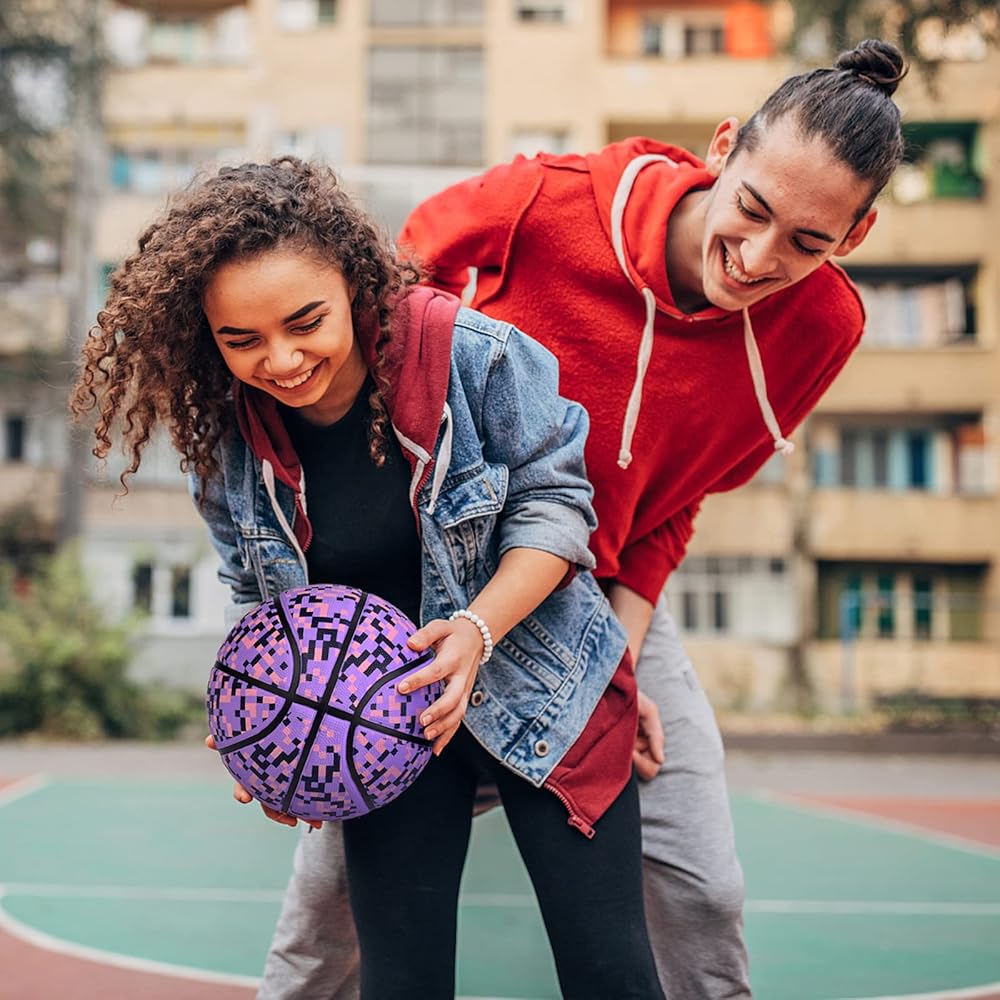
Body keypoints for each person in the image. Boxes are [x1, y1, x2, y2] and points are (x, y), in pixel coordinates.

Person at [251, 39, 909, 1000]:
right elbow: (391, 297)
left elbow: (674, 503)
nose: (762, 257)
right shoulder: (550, 202)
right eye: (754, 208)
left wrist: (620, 659)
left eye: (809, 243)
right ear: (723, 148)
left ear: (855, 234)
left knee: (704, 893)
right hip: (441, 579)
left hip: (599, 596)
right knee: (331, 906)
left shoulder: (821, 331)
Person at [69, 157, 666, 1000]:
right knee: (401, 983)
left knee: (611, 975)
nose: (281, 359)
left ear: (352, 285)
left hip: (545, 688)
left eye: (304, 321)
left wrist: (476, 630)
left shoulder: (475, 356)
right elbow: (259, 600)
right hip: (383, 723)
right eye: (242, 340)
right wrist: (261, 723)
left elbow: (558, 515)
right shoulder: (225, 442)